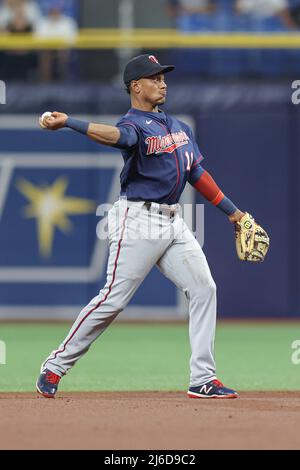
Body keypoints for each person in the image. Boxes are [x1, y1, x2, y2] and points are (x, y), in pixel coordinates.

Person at [36, 54, 245, 400]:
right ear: (136, 86)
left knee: (204, 288)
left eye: (164, 77)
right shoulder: (134, 124)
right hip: (137, 219)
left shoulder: (179, 127)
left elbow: (197, 173)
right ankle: (55, 365)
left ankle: (202, 379)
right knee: (113, 300)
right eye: (154, 78)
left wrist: (233, 213)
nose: (163, 82)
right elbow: (116, 136)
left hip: (174, 221)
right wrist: (70, 122)